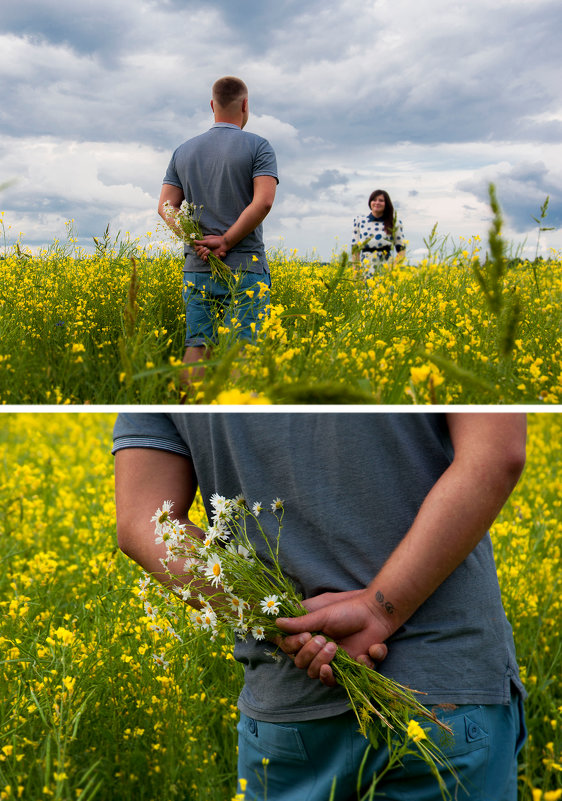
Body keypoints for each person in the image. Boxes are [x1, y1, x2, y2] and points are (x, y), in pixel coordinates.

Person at [113, 412, 527, 801]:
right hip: (444, 692)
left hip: (286, 718)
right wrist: (378, 610)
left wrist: (280, 622)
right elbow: (494, 453)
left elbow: (143, 523)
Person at [157, 76, 279, 391]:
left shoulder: (183, 151)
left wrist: (196, 241)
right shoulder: (258, 146)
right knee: (243, 351)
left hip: (198, 268)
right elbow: (263, 201)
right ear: (245, 105)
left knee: (198, 346)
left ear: (212, 105)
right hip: (246, 268)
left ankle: (189, 412)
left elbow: (166, 208)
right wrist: (226, 241)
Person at [351, 189, 406, 278]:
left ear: (386, 204)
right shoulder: (359, 221)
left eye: (381, 200)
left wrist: (392, 270)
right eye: (374, 200)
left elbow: (401, 251)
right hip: (365, 270)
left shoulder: (395, 223)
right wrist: (356, 273)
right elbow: (355, 250)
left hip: (386, 270)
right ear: (370, 202)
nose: (377, 203)